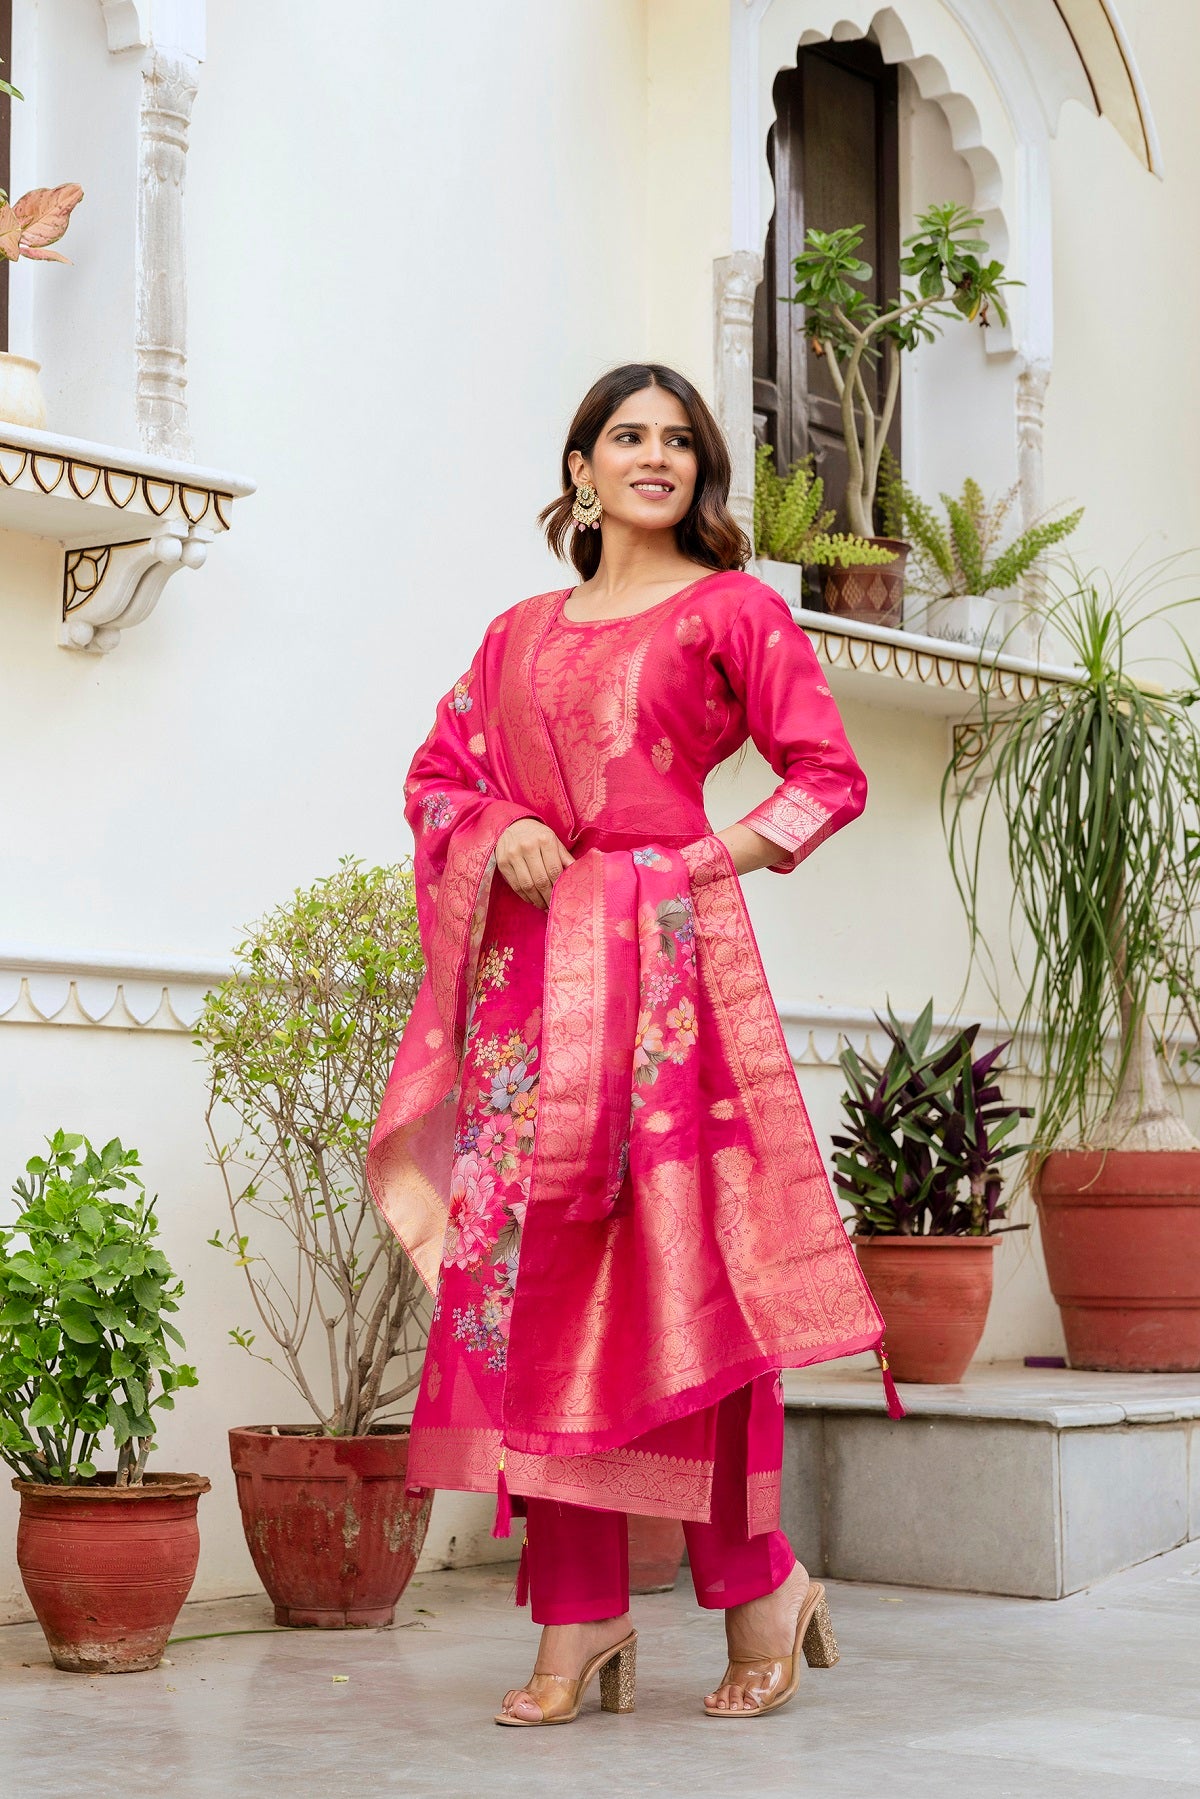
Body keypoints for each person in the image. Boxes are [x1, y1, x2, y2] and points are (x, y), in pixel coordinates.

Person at [368, 362, 891, 1726]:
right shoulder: (516, 636)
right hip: (536, 1003)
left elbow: (828, 775)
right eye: (627, 435)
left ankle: (761, 1584)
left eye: (679, 440)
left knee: (692, 1282)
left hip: (669, 990)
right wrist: (502, 832)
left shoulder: (733, 611)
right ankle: (579, 1616)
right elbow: (441, 778)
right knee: (534, 1287)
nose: (654, 455)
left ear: (697, 475)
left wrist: (689, 864)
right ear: (582, 469)